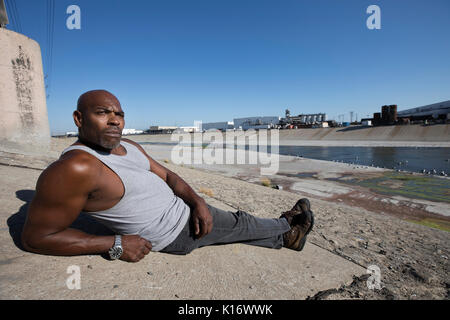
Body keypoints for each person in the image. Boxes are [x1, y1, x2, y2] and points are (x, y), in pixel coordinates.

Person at [21, 90, 314, 263]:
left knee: (232, 234)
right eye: (102, 113)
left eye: (119, 114)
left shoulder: (129, 146)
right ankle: (287, 223)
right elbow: (36, 237)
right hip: (177, 232)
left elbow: (170, 176)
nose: (115, 120)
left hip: (188, 211)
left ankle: (287, 239)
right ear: (78, 119)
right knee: (242, 222)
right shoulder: (74, 168)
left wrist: (197, 201)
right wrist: (115, 243)